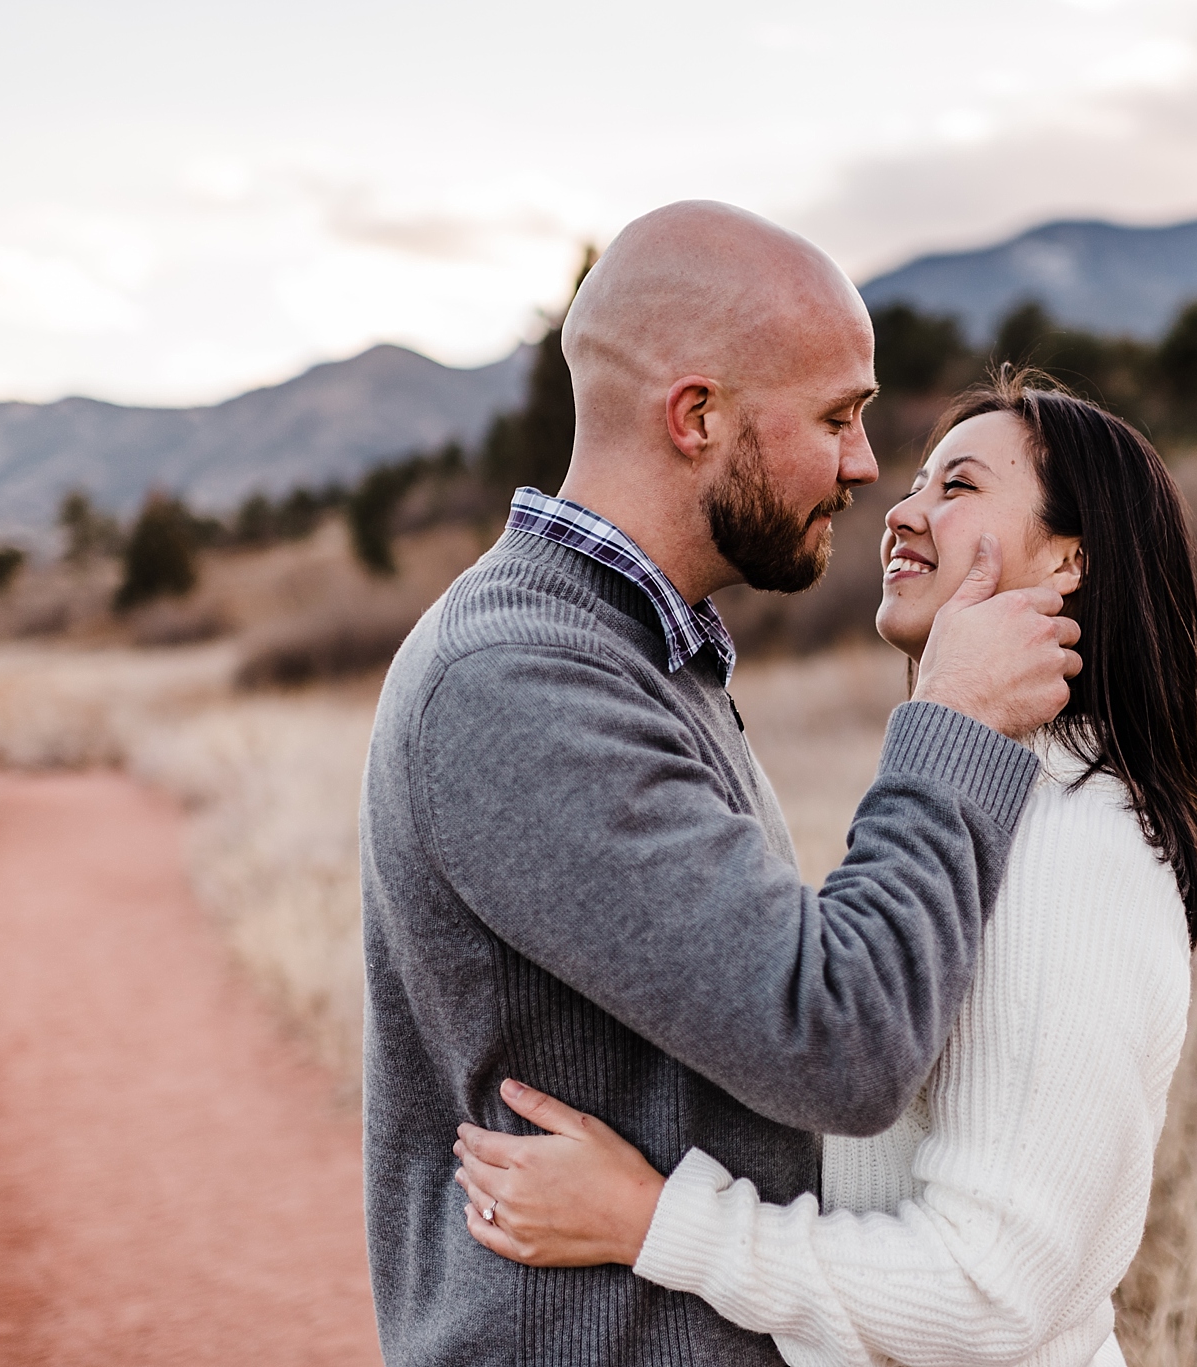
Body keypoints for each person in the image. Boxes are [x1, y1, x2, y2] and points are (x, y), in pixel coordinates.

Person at [359, 204, 1084, 1366]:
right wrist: (950, 722)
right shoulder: (519, 683)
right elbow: (836, 1039)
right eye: (836, 417)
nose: (863, 465)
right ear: (696, 416)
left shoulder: (636, 651)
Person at [451, 373, 1197, 1367]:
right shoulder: (991, 794)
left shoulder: (1072, 843)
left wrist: (651, 1219)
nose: (899, 510)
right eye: (916, 481)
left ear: (1067, 557)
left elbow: (988, 1293)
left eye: (956, 486)